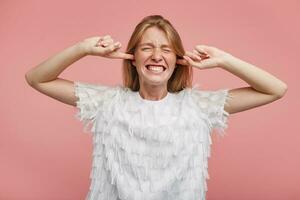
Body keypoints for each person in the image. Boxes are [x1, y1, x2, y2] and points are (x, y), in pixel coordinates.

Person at [25, 15, 287, 200]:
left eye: (166, 49)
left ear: (177, 60)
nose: (156, 56)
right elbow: (37, 78)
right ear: (132, 58)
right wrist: (83, 48)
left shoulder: (197, 106)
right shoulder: (107, 103)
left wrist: (224, 60)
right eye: (146, 48)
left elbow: (276, 89)